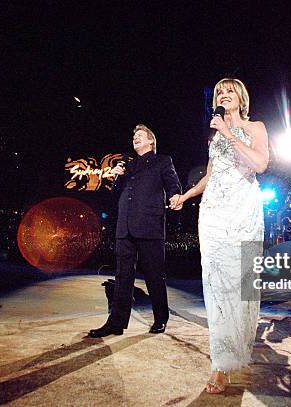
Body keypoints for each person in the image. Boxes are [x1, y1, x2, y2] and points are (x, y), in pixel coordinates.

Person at [170, 78, 268, 394]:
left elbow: (261, 164)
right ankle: (220, 364)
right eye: (219, 92)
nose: (223, 95)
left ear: (241, 97)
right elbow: (211, 177)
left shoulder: (256, 128)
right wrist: (185, 197)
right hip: (213, 213)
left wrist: (229, 134)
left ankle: (239, 348)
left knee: (241, 285)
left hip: (244, 211)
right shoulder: (214, 136)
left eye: (229, 91)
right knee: (215, 286)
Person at [88, 124, 182, 337]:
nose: (135, 139)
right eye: (134, 137)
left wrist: (176, 196)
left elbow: (173, 185)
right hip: (125, 227)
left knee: (154, 276)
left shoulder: (162, 161)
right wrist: (116, 177)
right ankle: (116, 323)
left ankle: (160, 319)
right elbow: (115, 195)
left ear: (151, 141)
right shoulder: (127, 166)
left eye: (140, 136)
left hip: (150, 226)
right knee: (122, 276)